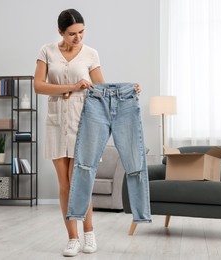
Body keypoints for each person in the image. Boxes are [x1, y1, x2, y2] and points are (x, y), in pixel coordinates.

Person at [34, 9, 140, 257]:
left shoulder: (91, 54)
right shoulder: (46, 51)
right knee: (64, 184)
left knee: (80, 182)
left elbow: (102, 88)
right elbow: (39, 86)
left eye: (81, 32)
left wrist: (128, 90)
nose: (78, 37)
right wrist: (72, 86)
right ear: (60, 32)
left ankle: (89, 233)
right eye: (72, 34)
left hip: (84, 121)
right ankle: (72, 238)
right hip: (56, 122)